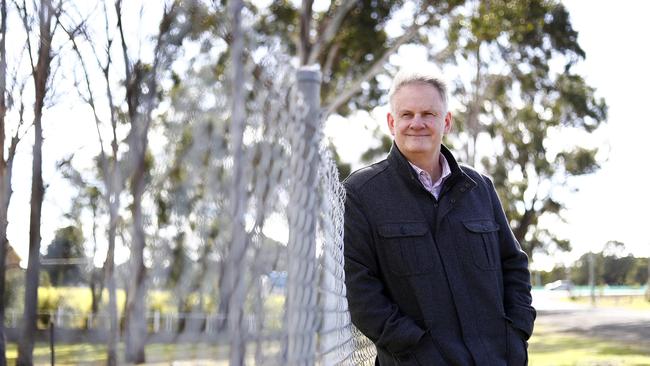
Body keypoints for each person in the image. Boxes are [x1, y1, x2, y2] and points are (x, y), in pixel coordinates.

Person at [343, 67, 536, 365]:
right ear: (392, 123)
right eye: (407, 115)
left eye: (428, 114)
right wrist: (415, 350)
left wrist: (516, 335)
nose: (417, 123)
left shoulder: (480, 188)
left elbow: (513, 265)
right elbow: (360, 292)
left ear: (446, 122)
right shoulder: (361, 192)